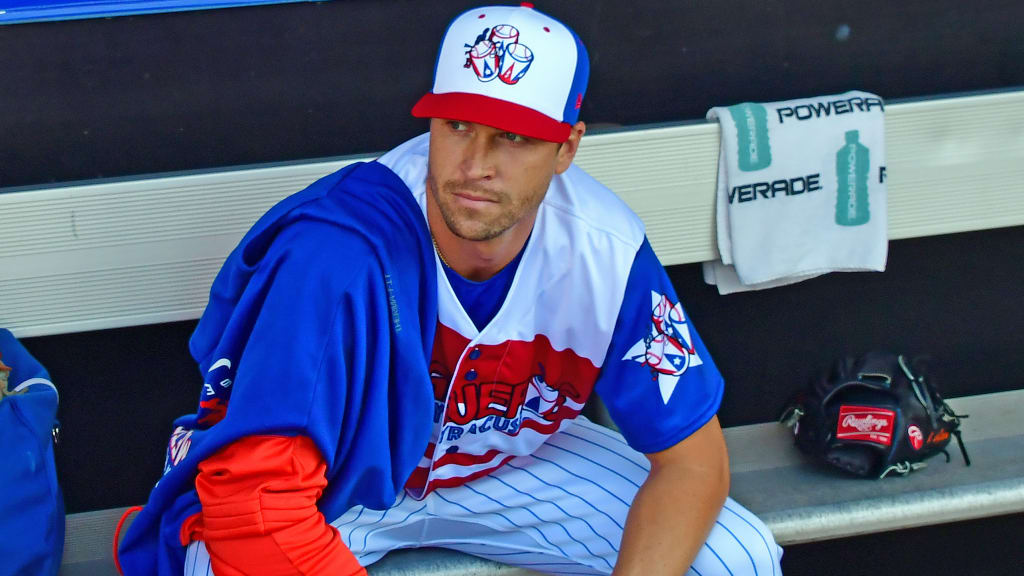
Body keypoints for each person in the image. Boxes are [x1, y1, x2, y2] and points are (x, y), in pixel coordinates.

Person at [116, 4, 782, 575]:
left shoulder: (605, 251)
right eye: (457, 125)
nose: (474, 164)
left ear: (567, 148)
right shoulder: (341, 252)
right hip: (338, 488)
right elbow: (255, 503)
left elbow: (694, 464)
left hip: (505, 470)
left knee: (734, 555)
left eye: (513, 138)